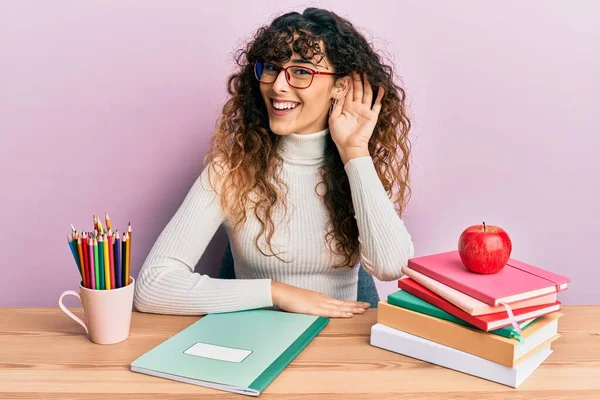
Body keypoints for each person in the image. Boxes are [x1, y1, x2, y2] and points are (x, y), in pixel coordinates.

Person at [134, 7, 415, 319]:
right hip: (255, 347)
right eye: (271, 67)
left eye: (302, 71)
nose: (278, 85)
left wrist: (354, 150)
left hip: (339, 350)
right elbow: (152, 286)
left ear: (341, 85)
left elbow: (391, 266)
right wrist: (278, 293)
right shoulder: (230, 172)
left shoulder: (359, 167)